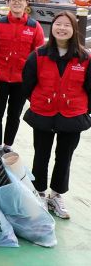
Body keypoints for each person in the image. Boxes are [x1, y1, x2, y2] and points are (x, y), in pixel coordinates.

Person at [21, 11, 90, 219]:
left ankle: (56, 194)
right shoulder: (38, 55)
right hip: (44, 112)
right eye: (58, 24)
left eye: (67, 25)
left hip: (72, 114)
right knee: (41, 154)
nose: (62, 28)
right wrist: (39, 101)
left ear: (74, 29)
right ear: (52, 28)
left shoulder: (85, 58)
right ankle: (40, 192)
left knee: (64, 156)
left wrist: (83, 109)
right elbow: (27, 83)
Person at [0, 0, 45, 150]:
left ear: (26, 3)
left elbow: (38, 56)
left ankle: (8, 145)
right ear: (7, 3)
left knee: (14, 114)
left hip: (21, 80)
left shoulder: (34, 27)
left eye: (20, 0)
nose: (17, 3)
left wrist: (35, 80)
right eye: (13, 0)